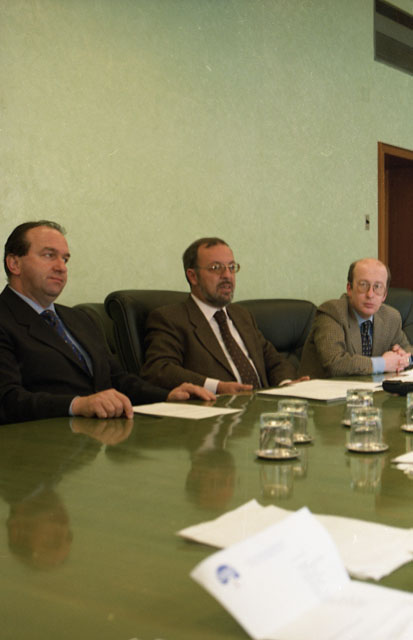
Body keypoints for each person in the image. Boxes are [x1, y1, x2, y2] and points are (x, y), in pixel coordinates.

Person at [0, 221, 214, 424]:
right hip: (43, 442)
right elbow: (7, 400)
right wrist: (77, 405)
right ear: (14, 264)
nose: (61, 267)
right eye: (49, 255)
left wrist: (168, 396)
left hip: (101, 436)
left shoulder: (80, 318)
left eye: (65, 259)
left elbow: (118, 380)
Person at [140, 237, 300, 393]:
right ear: (193, 276)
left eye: (231, 267)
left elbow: (273, 359)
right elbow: (159, 369)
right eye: (216, 268)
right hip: (216, 406)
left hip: (263, 405)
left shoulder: (242, 314)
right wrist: (217, 387)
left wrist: (287, 384)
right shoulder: (170, 319)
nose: (227, 275)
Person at [298, 258, 413, 378]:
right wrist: (383, 363)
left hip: (371, 388)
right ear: (349, 288)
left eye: (378, 287)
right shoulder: (332, 312)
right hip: (323, 388)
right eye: (363, 285)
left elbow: (408, 350)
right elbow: (335, 363)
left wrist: (405, 359)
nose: (370, 294)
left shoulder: (390, 317)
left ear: (384, 295)